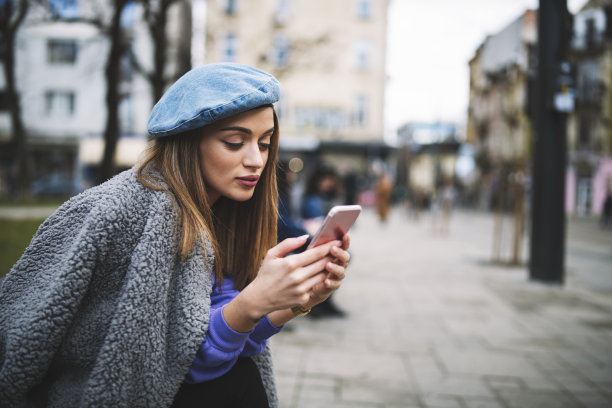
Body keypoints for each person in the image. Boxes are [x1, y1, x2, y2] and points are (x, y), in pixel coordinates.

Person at [0, 63, 351, 408]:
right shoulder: (124, 211)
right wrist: (252, 302)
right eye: (234, 142)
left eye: (264, 143)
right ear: (188, 141)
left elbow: (225, 344)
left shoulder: (223, 211)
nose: (255, 160)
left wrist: (295, 301)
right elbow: (171, 367)